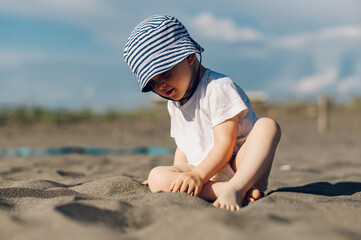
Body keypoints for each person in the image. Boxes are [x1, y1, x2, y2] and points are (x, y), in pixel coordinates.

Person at [123, 15, 281, 211]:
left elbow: (225, 144)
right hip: (204, 171)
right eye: (152, 83)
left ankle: (238, 188)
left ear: (189, 56)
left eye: (165, 74)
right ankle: (225, 190)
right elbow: (183, 146)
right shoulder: (174, 102)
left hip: (239, 165)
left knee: (267, 126)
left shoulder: (217, 88)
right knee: (156, 176)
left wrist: (198, 176)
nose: (161, 86)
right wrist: (176, 174)